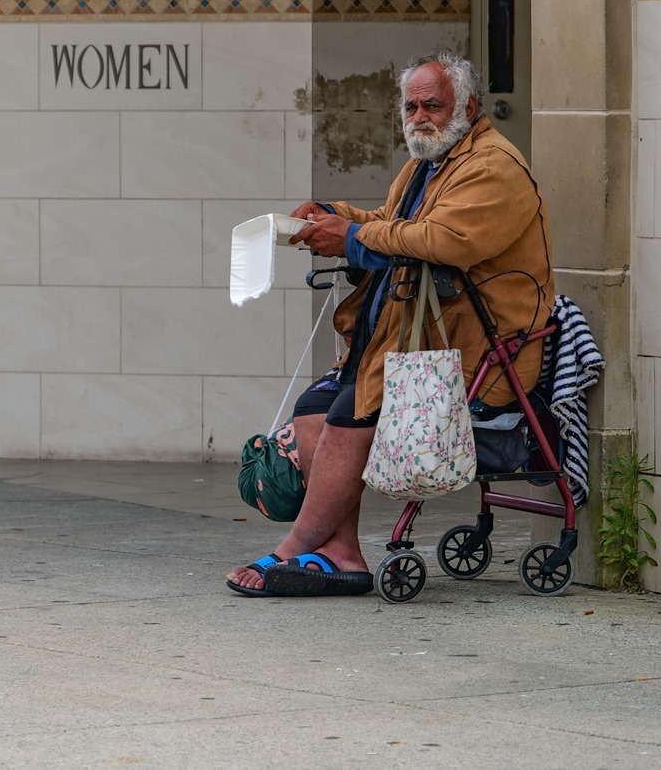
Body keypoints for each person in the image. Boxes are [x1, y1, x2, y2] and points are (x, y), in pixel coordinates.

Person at [226, 48, 555, 597]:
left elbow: (443, 241)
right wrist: (334, 216)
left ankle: (292, 548)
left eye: (433, 106)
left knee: (350, 412)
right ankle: (343, 554)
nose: (419, 117)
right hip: (413, 342)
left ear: (469, 108)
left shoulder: (493, 165)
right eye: (411, 107)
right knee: (314, 407)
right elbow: (390, 223)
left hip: (475, 357)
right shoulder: (429, 163)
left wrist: (351, 237)